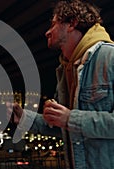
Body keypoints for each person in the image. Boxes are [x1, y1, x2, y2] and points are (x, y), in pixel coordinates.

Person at [7, 1, 114, 169]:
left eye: (54, 24)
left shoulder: (110, 57)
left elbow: (68, 121)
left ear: (71, 23)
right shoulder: (66, 70)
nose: (47, 32)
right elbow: (63, 127)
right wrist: (25, 118)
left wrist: (70, 119)